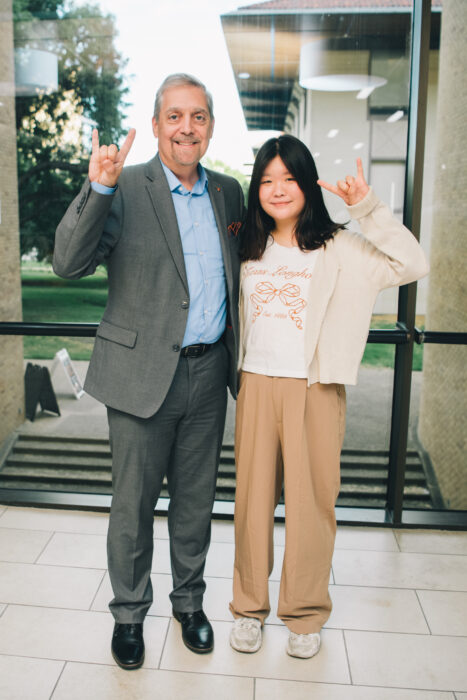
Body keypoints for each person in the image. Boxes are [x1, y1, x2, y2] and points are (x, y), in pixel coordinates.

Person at [53, 73, 245, 669]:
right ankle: (130, 615)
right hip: (140, 377)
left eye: (199, 116)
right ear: (158, 123)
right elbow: (66, 262)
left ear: (210, 125)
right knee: (132, 506)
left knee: (195, 502)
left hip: (209, 375)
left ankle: (189, 604)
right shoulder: (126, 187)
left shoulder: (230, 195)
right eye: (174, 116)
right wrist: (97, 187)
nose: (187, 127)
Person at [228, 134, 428, 659]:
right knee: (250, 505)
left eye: (289, 178)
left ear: (307, 184)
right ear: (257, 190)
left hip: (315, 388)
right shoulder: (247, 244)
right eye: (267, 181)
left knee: (312, 506)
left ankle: (304, 614)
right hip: (254, 384)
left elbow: (412, 264)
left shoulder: (343, 245)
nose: (277, 189)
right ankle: (248, 608)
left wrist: (367, 208)